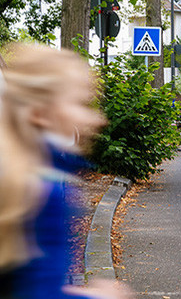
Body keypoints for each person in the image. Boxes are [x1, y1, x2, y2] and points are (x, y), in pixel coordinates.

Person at [0, 44, 131, 298]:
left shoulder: (21, 174)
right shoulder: (42, 189)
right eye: (80, 103)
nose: (97, 119)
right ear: (40, 113)